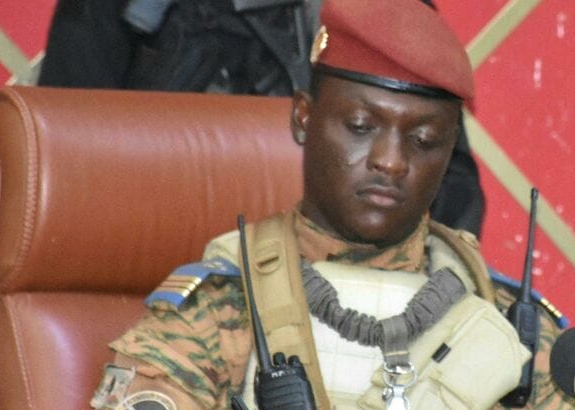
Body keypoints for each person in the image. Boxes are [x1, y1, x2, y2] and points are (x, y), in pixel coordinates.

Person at [84, 0, 575, 410]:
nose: (390, 161)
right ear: (304, 117)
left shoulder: (511, 328)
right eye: (361, 126)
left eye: (423, 140)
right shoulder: (218, 309)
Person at [38, 0, 485, 237]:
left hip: (331, 290)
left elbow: (449, 191)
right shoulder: (117, 10)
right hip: (153, 287)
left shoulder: (381, 14)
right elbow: (59, 170)